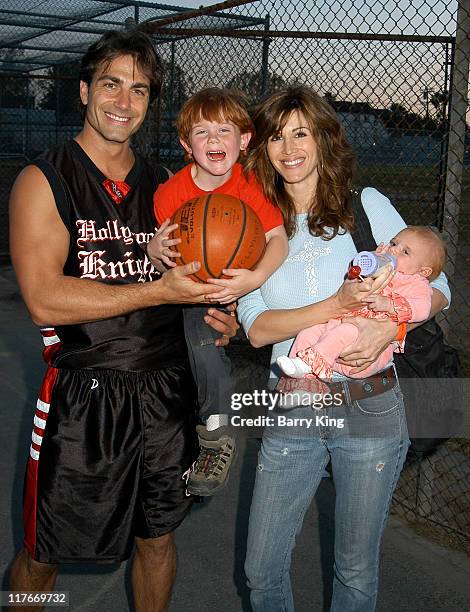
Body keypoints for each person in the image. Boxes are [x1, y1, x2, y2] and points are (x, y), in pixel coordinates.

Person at [7, 31, 238, 612]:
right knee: (44, 551)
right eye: (111, 83)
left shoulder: (168, 185)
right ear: (84, 91)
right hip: (81, 396)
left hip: (165, 391)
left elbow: (200, 276)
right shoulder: (45, 180)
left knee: (157, 538)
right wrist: (155, 288)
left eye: (139, 90)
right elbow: (44, 299)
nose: (123, 101)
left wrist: (220, 316)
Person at [232, 86, 451, 611]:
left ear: (324, 139)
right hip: (293, 404)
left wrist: (390, 322)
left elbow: (439, 286)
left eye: (301, 132)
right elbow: (258, 328)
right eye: (277, 136)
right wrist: (336, 305)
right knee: (261, 570)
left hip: (370, 405)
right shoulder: (253, 222)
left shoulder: (367, 205)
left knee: (354, 571)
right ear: (262, 148)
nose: (288, 147)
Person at [146, 87, 288, 496]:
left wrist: (253, 281)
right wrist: (155, 252)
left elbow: (277, 240)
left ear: (244, 141)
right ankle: (212, 427)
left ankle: (215, 429)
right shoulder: (169, 195)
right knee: (197, 337)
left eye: (224, 130)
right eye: (202, 132)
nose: (213, 140)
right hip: (196, 289)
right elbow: (164, 260)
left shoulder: (254, 185)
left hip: (250, 283)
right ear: (186, 144)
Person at [277, 226, 446, 382]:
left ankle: (309, 364)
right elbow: (353, 272)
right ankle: (301, 387)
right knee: (309, 332)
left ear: (423, 271)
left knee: (347, 330)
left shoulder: (417, 284)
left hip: (361, 356)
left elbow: (423, 310)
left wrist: (389, 304)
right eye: (394, 243)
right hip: (336, 340)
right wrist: (371, 260)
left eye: (405, 252)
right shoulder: (383, 268)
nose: (393, 249)